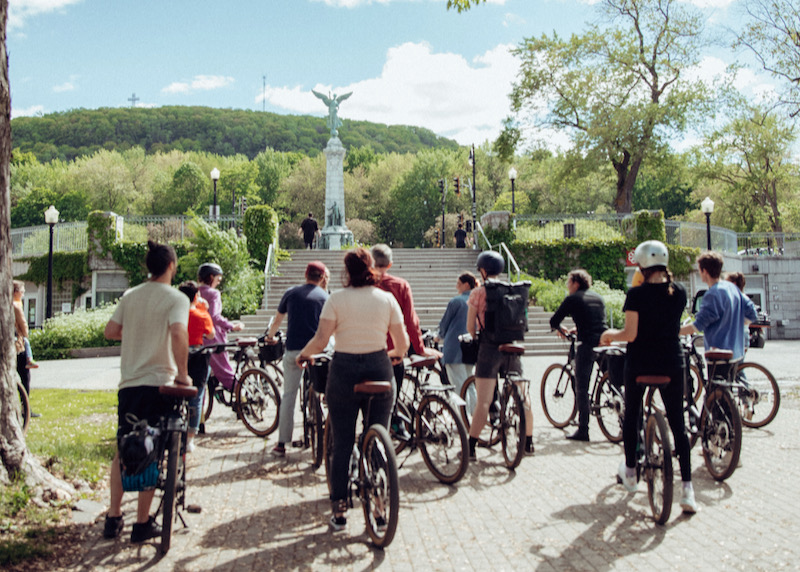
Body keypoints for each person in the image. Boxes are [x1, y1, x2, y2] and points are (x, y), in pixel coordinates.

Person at [296, 248, 409, 532]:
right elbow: (403, 343)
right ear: (372, 268)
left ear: (346, 272)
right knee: (378, 436)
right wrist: (394, 354)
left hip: (344, 369)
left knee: (343, 442)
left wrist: (303, 356)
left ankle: (339, 511)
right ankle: (381, 507)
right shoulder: (386, 299)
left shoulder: (336, 299)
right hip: (379, 366)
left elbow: (321, 340)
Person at [102, 241, 192, 542]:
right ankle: (142, 523)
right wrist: (183, 374)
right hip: (160, 382)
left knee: (124, 447)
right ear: (171, 266)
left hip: (129, 384)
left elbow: (110, 331)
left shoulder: (131, 296)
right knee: (154, 449)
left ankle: (113, 517)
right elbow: (179, 333)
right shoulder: (176, 298)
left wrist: (138, 329)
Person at [600, 240, 696, 514]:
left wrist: (609, 335)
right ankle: (687, 490)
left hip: (641, 362)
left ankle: (631, 471)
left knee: (632, 414)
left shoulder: (637, 295)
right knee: (678, 422)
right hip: (671, 361)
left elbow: (630, 335)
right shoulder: (678, 292)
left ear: (641, 265)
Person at [466, 251, 534, 460]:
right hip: (512, 346)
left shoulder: (478, 292)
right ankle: (529, 443)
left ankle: (471, 447)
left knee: (484, 402)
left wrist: (475, 336)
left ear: (483, 271)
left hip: (489, 347)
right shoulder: (515, 289)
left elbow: (470, 327)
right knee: (523, 396)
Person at [370, 244, 442, 436]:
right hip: (394, 351)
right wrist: (419, 348)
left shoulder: (365, 285)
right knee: (392, 390)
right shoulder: (400, 285)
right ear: (390, 264)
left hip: (368, 351)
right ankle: (394, 419)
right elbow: (411, 321)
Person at [266, 261, 330, 457]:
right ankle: (322, 419)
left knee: (289, 395)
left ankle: (281, 443)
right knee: (323, 389)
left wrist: (270, 336)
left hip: (294, 350)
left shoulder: (291, 293)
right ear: (322, 277)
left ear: (305, 274)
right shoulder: (326, 297)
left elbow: (277, 320)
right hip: (318, 352)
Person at [549, 269, 607, 441]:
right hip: (604, 341)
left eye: (568, 283)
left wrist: (561, 329)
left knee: (582, 387)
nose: (568, 287)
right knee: (610, 381)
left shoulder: (573, 299)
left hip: (587, 343)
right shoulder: (598, 297)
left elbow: (554, 321)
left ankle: (583, 429)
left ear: (575, 283)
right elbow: (593, 320)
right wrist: (578, 327)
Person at [679, 252, 757, 367]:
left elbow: (697, 326)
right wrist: (734, 324)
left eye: (700, 270)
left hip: (718, 353)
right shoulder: (732, 288)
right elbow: (752, 314)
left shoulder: (712, 294)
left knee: (716, 384)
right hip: (736, 350)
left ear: (705, 271)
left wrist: (674, 331)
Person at [178, 281, 215, 453]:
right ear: (195, 296)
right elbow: (210, 334)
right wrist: (204, 309)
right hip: (197, 357)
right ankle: (190, 439)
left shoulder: (175, 314)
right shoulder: (201, 315)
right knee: (197, 397)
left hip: (177, 355)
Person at [197, 263, 244, 392]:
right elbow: (214, 317)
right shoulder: (214, 293)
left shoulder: (194, 292)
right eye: (218, 279)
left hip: (196, 339)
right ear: (211, 277)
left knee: (199, 377)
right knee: (226, 373)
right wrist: (232, 326)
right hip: (213, 338)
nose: (218, 283)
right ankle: (243, 396)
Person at [436, 272, 477, 394]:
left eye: (458, 284)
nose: (456, 286)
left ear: (466, 285)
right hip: (471, 347)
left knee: (458, 385)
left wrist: (438, 336)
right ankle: (473, 412)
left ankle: (461, 413)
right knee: (469, 384)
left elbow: (445, 323)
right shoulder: (476, 301)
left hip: (455, 348)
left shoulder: (456, 302)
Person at [12, 281, 40, 417]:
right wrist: (26, 335)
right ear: (15, 292)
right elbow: (23, 325)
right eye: (22, 292)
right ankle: (25, 409)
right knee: (25, 377)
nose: (23, 295)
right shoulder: (16, 306)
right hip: (17, 346)